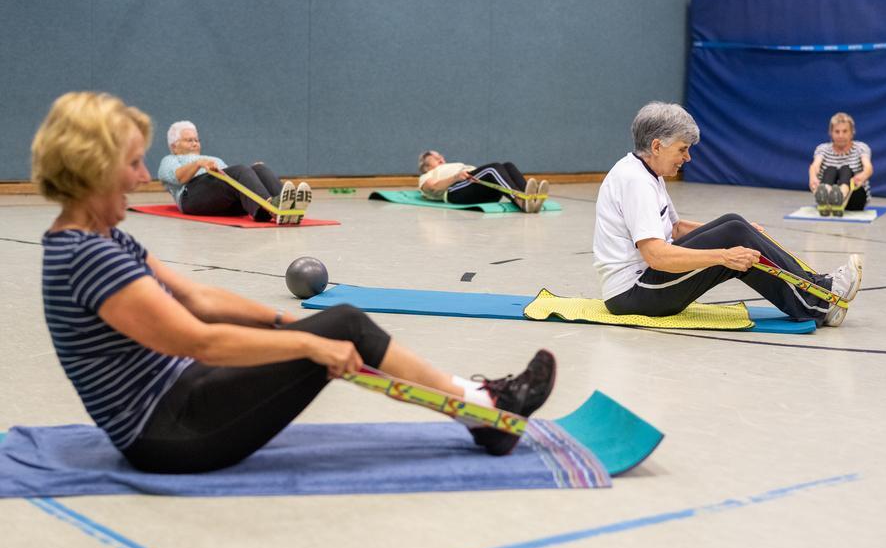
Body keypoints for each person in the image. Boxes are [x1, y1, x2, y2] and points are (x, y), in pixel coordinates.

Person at [33, 92, 556, 473]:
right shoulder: (88, 257)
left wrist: (286, 321)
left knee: (338, 324)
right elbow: (198, 337)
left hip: (182, 399)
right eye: (131, 163)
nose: (144, 176)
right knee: (342, 327)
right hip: (170, 431)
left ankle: (481, 406)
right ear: (93, 168)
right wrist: (309, 342)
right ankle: (486, 410)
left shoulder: (101, 239)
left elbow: (197, 298)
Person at [593, 102, 863, 328]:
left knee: (734, 223)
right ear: (656, 146)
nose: (687, 158)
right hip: (634, 294)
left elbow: (675, 229)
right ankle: (820, 304)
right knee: (735, 238)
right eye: (682, 149)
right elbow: (657, 256)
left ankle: (819, 287)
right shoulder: (636, 182)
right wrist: (725, 255)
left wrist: (742, 230)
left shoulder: (648, 173)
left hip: (646, 282)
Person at [157, 120, 312, 224]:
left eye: (197, 140)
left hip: (223, 198)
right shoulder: (169, 160)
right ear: (174, 146)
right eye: (189, 140)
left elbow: (231, 179)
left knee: (259, 168)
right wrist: (198, 163)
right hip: (191, 196)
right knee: (240, 170)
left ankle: (288, 207)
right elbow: (178, 178)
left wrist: (254, 173)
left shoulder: (213, 158)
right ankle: (273, 207)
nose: (195, 144)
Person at [417, 150, 549, 213]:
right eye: (435, 159)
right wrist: (455, 177)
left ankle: (531, 200)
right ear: (426, 167)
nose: (441, 159)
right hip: (455, 192)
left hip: (478, 186)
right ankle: (522, 201)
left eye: (441, 157)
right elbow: (433, 187)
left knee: (508, 165)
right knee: (493, 169)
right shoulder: (428, 175)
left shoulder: (453, 164)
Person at [808, 112, 873, 217]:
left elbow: (868, 167)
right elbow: (815, 166)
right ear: (831, 133)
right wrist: (813, 178)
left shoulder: (861, 147)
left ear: (852, 132)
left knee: (845, 169)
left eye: (845, 131)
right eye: (837, 132)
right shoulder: (822, 149)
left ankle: (839, 197)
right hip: (828, 194)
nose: (840, 135)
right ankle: (827, 197)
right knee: (831, 169)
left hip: (855, 198)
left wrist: (863, 175)